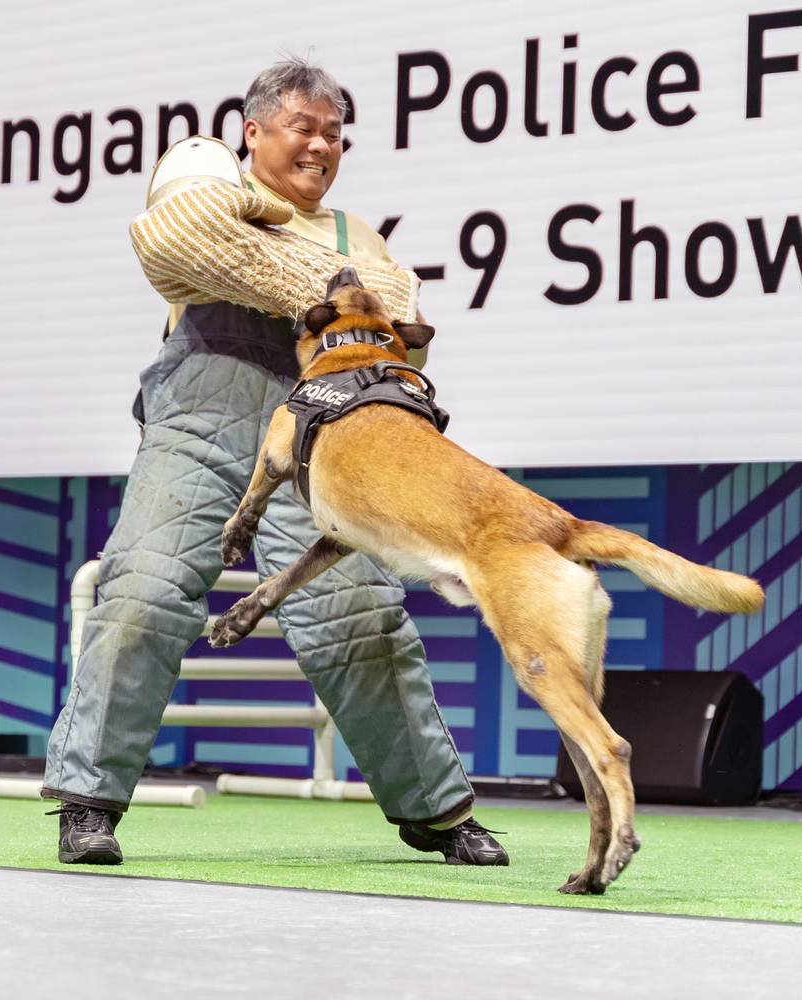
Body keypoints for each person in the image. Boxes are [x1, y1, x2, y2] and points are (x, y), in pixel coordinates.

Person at [41, 58, 508, 867]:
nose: (323, 146)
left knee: (358, 615)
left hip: (320, 429)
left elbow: (406, 316)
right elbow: (181, 244)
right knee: (143, 590)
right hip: (199, 416)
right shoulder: (208, 195)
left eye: (335, 134)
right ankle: (87, 803)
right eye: (305, 127)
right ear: (252, 132)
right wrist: (316, 283)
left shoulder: (354, 234)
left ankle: (436, 810)